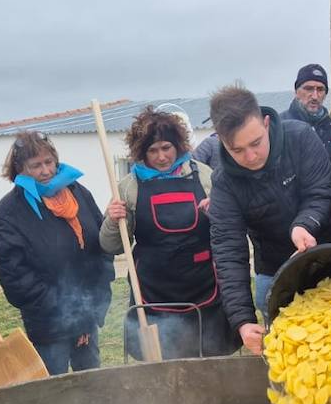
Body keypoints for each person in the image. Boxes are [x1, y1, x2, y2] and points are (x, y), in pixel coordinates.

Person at [207, 85, 331, 355]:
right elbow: (229, 252)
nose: (251, 156)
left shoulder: (300, 138)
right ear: (221, 141)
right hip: (275, 269)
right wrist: (243, 321)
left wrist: (304, 224)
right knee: (291, 355)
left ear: (265, 123)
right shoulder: (224, 183)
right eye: (238, 150)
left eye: (256, 143)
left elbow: (321, 192)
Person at [100, 106, 238, 359]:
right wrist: (112, 220)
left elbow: (229, 230)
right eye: (153, 151)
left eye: (166, 148)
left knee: (209, 360)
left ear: (178, 146)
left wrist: (217, 214)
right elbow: (111, 246)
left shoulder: (205, 177)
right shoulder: (128, 187)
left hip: (202, 285)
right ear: (142, 152)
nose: (161, 157)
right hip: (153, 290)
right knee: (161, 365)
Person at [0, 133, 113, 375]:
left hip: (87, 315)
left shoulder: (78, 193)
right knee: (54, 394)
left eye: (49, 162)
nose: (46, 171)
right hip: (49, 326)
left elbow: (100, 246)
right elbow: (17, 280)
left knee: (92, 388)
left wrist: (89, 312)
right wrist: (69, 317)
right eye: (36, 165)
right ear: (20, 169)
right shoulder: (10, 213)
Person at [285, 64, 331, 173]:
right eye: (309, 89)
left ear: (325, 94)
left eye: (320, 89)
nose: (315, 96)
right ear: (296, 92)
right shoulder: (281, 126)